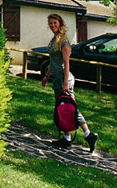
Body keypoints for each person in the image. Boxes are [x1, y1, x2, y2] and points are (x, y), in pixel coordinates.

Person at [41, 13, 98, 152]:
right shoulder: (54, 40)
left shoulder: (64, 42)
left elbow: (66, 64)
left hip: (63, 78)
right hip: (57, 78)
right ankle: (66, 139)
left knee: (71, 109)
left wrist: (65, 83)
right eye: (50, 23)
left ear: (60, 24)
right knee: (64, 109)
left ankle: (89, 135)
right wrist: (47, 76)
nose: (52, 25)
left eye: (55, 23)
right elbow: (53, 62)